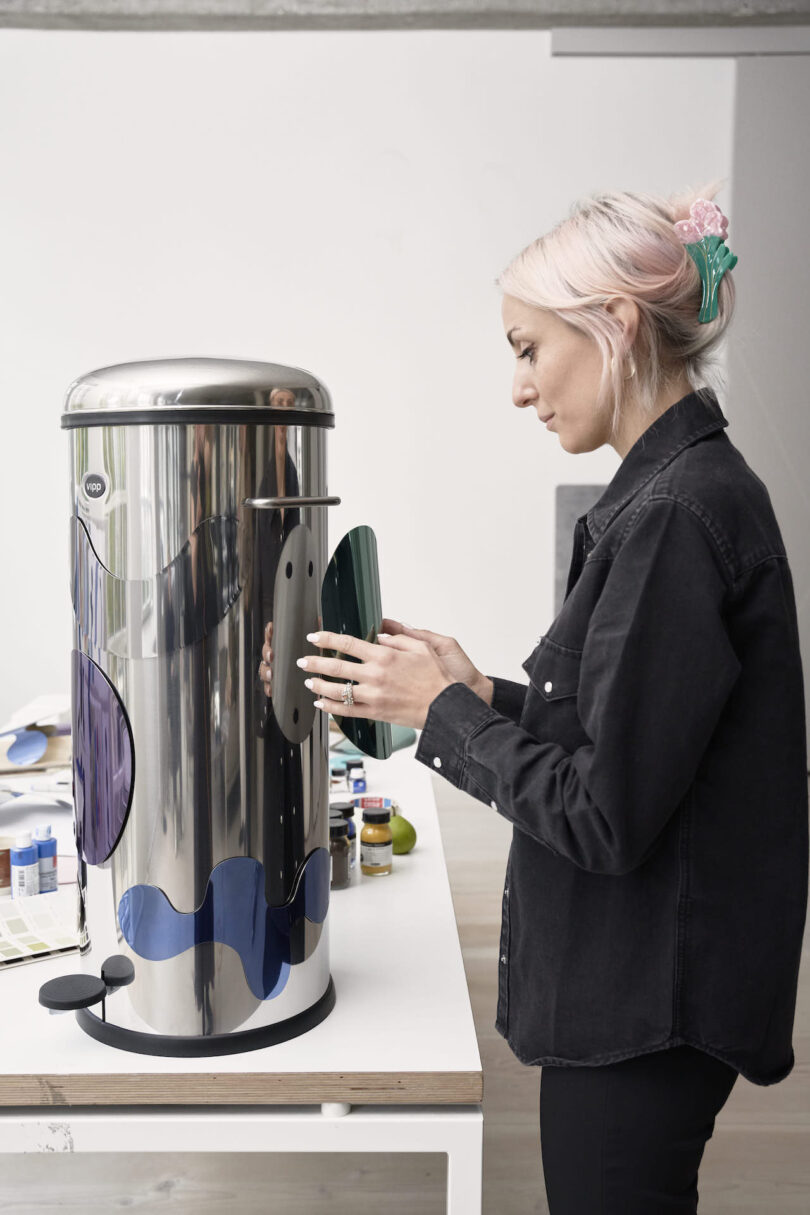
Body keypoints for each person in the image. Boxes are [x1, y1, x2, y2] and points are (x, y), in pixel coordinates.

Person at [282, 181, 809, 1213]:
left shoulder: (674, 520)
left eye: (529, 348)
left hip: (646, 1007)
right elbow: (640, 743)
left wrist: (444, 710)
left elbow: (604, 815)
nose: (520, 388)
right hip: (649, 992)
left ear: (614, 325)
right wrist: (481, 690)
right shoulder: (678, 497)